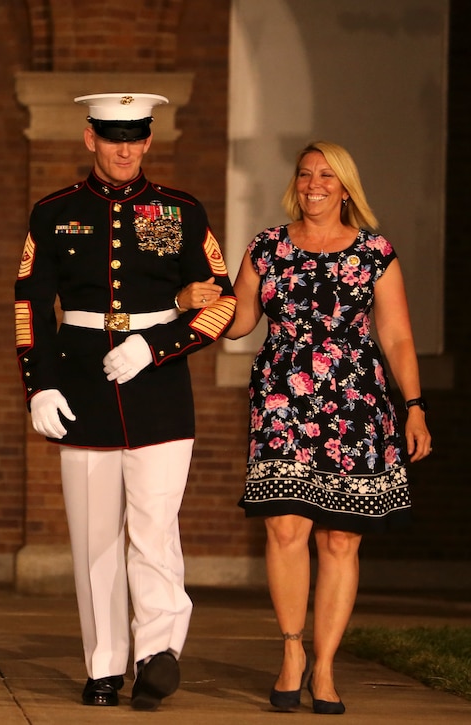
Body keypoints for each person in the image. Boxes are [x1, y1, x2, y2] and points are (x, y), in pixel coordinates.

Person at [179, 141, 432, 714]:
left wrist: (414, 405)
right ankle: (292, 652)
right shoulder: (268, 247)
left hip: (357, 405)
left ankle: (325, 667)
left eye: (327, 175)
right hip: (282, 400)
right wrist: (193, 299)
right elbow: (240, 321)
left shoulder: (374, 251)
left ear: (345, 187)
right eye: (305, 173)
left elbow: (396, 337)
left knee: (339, 538)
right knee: (285, 531)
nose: (314, 183)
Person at [13, 92, 236, 710]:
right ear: (90, 139)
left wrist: (158, 345)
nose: (125, 149)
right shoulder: (54, 212)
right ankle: (104, 664)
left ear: (148, 140)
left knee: (154, 529)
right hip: (81, 385)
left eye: (136, 137)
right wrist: (40, 384)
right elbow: (30, 303)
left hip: (159, 390)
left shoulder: (181, 211)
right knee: (94, 540)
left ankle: (157, 653)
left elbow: (224, 302)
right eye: (113, 137)